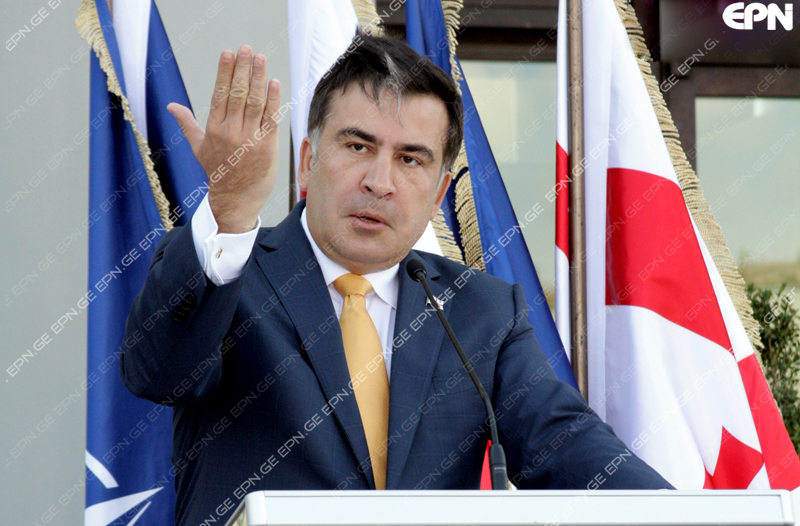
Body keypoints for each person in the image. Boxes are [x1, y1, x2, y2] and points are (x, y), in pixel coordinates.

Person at [121, 33, 671, 526]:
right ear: (307, 161)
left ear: (438, 194)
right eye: (358, 146)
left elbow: (568, 445)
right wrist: (230, 210)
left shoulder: (481, 312)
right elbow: (157, 373)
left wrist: (688, 516)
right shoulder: (226, 272)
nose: (380, 181)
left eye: (410, 159)